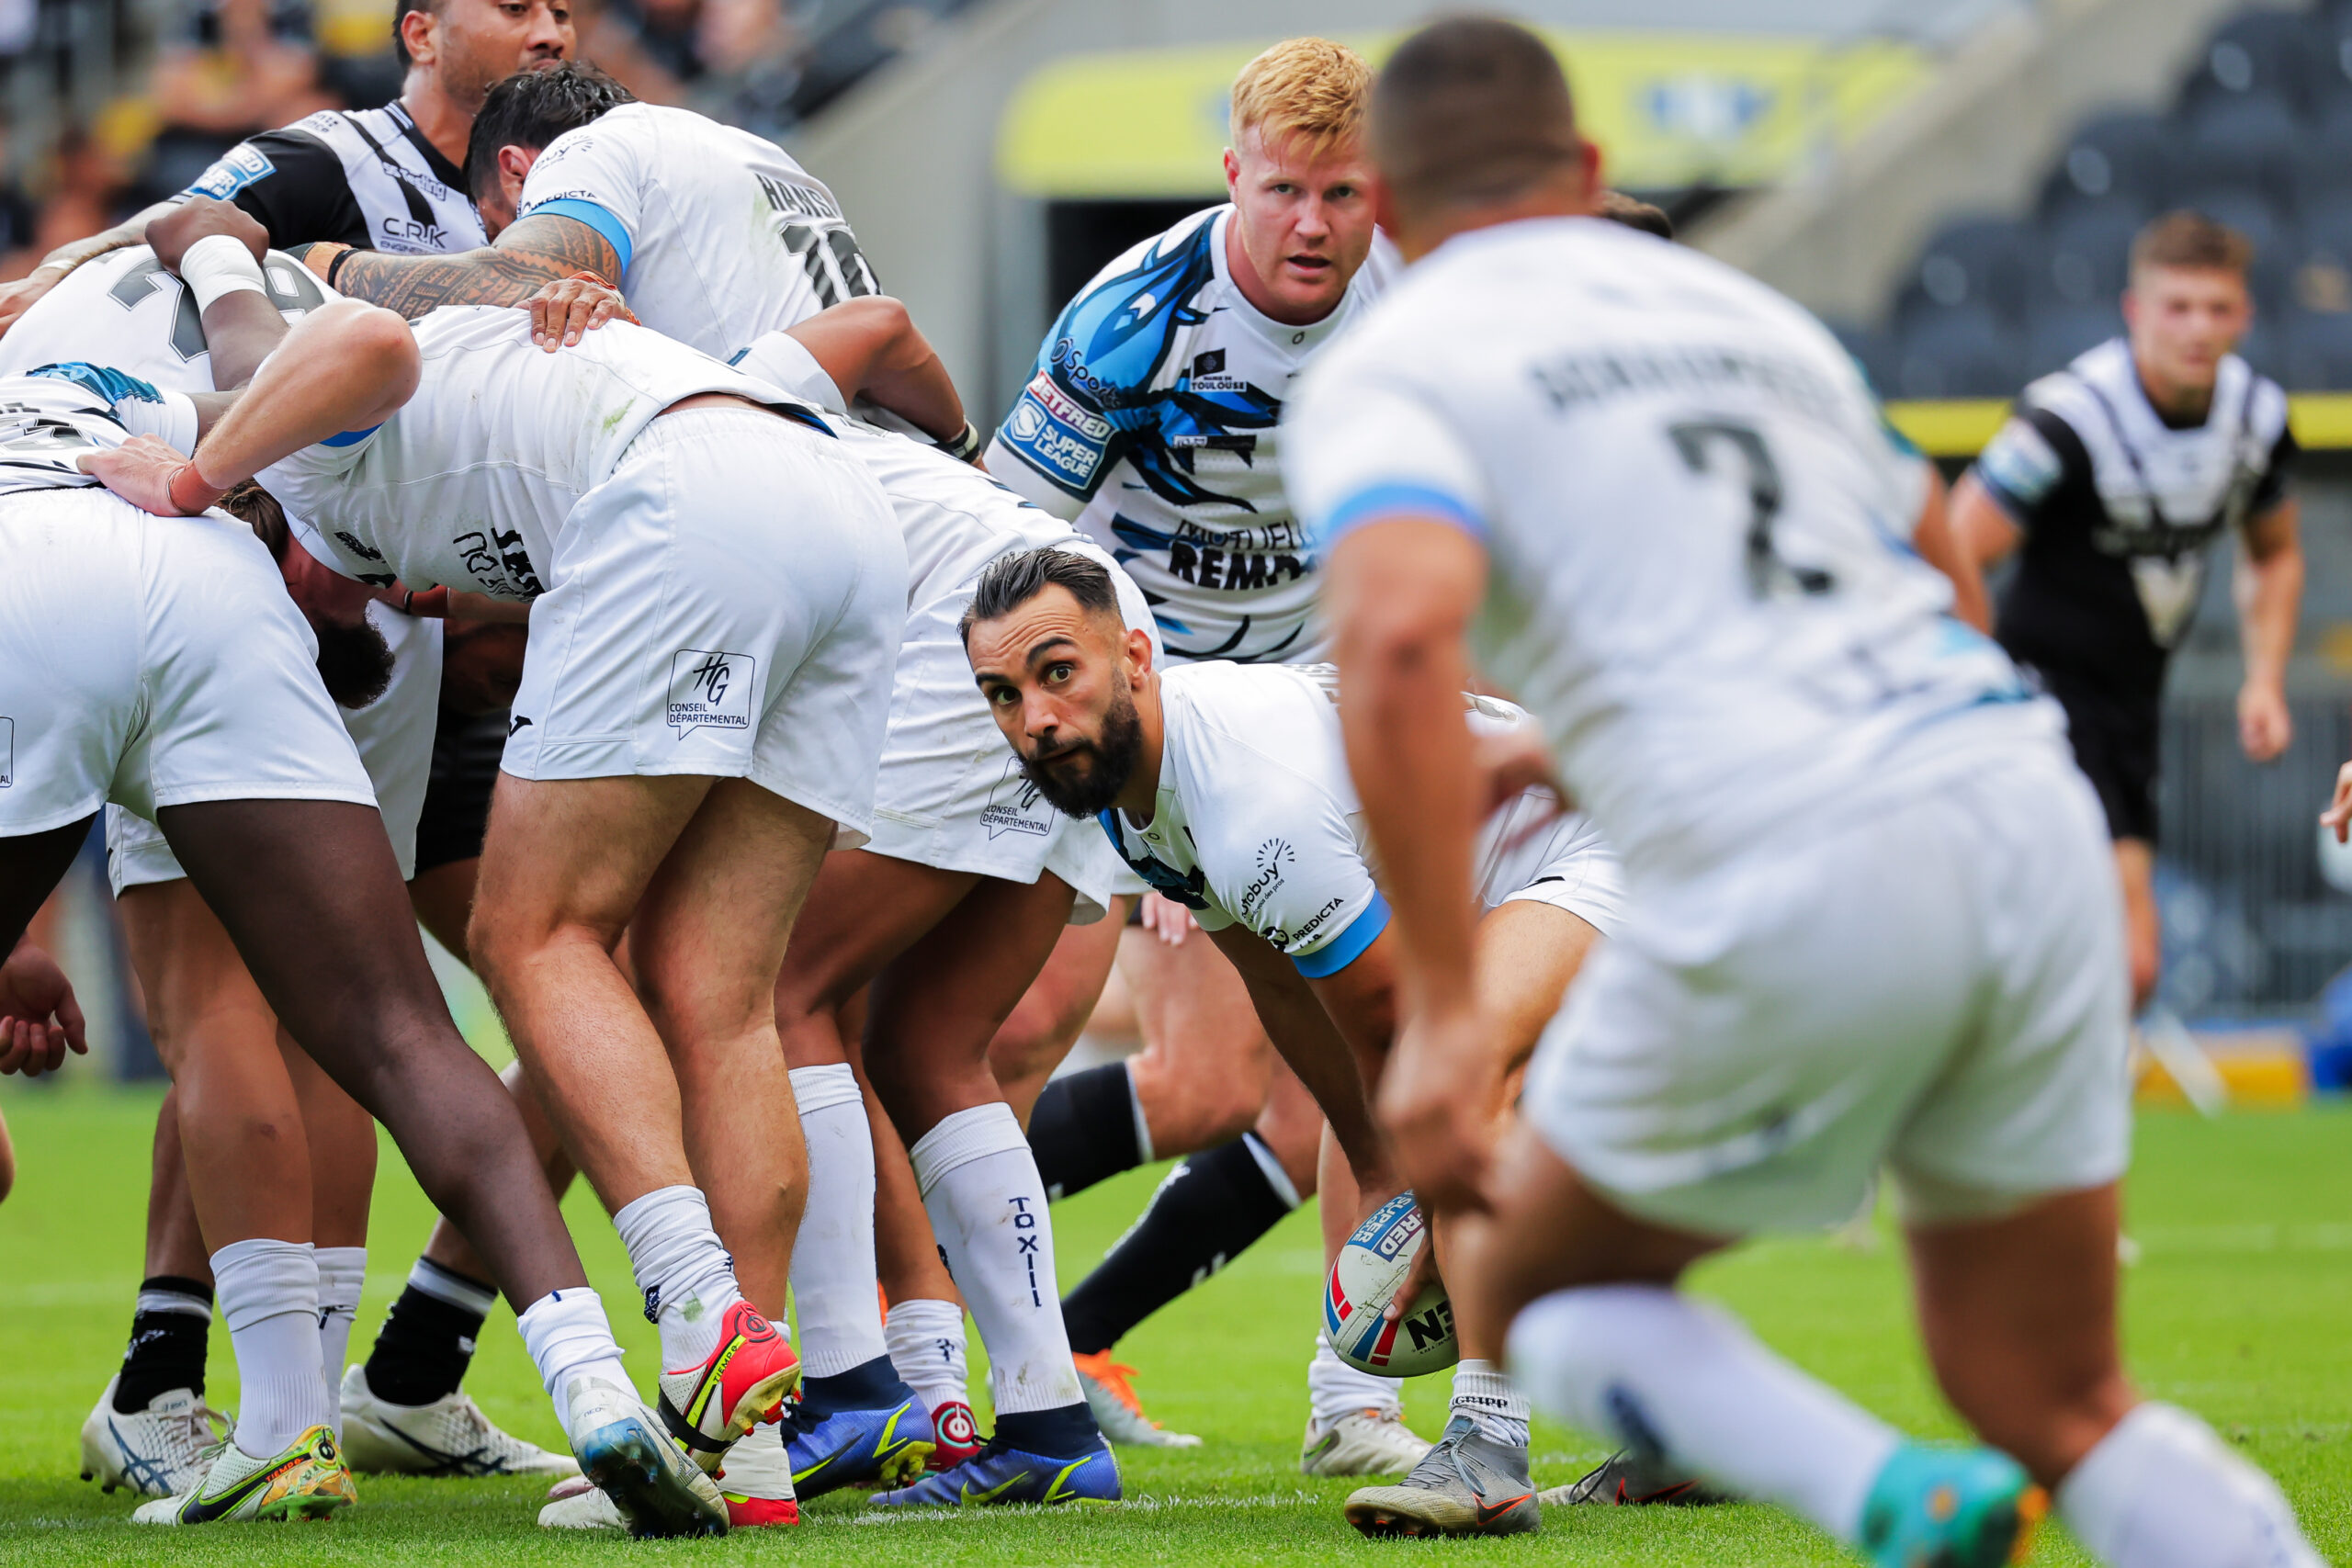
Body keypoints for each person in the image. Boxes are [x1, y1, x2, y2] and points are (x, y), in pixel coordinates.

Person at [1289, 17, 2326, 1568]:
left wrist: (1440, 1011)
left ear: (1381, 203)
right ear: (1588, 168)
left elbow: (1391, 645)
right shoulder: (1756, 327)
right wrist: (1599, 744)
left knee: (1545, 1289)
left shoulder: (1400, 363)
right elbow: (1940, 572)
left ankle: (1883, 1491)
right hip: (2019, 800)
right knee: (2051, 1391)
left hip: (1802, 846)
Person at [89, 243, 901, 1522]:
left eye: (310, 606)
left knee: (531, 935)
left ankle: (702, 1313)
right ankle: (740, 1452)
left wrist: (188, 471)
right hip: (837, 513)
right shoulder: (398, 544)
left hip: (693, 485)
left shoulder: (272, 448)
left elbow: (358, 334)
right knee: (720, 999)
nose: (355, 609)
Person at [0, 352, 700, 1531]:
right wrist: (211, 262)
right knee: (398, 1031)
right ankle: (595, 1390)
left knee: (217, 1021)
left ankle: (262, 1420)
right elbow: (296, 379)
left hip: (31, 580)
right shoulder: (110, 375)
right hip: (212, 583)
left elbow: (363, 341)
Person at [960, 546, 1625, 1536]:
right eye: (1003, 695)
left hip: (1604, 835)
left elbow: (1396, 1029)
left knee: (1464, 1069)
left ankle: (1487, 1447)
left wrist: (1420, 1185)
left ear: (1136, 658)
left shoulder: (1246, 805)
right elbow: (1278, 987)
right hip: (1523, 871)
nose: (1036, 719)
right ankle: (1678, 1431)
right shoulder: (1133, 802)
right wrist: (1381, 1169)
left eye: (1059, 673)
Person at [978, 36, 1426, 1468]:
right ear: (1233, 174)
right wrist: (1143, 778)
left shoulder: (1421, 300)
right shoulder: (1134, 318)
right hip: (1127, 711)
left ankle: (1352, 1400)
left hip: (1305, 703)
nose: (1313, 224)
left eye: (1343, 193)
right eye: (1283, 190)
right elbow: (1005, 538)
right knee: (1121, 1058)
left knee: (1328, 1082)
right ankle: (924, 1306)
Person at [1951, 210, 2301, 1013]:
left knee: (2105, 965)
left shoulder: (2256, 420)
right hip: (2040, 698)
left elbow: (2275, 553)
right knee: (2128, 958)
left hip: (2131, 710)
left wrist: (2264, 681)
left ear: (2245, 316)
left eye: (2217, 308)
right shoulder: (2067, 422)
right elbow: (1954, 558)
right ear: (2135, 310)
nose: (2198, 329)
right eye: (2177, 307)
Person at [0, 0, 573, 335]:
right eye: (515, 9)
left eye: (561, 13)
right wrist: (53, 276)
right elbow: (172, 219)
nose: (551, 36)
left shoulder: (581, 171)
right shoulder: (339, 152)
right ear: (423, 36)